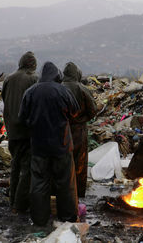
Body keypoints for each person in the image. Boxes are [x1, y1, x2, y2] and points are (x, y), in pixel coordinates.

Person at [19, 62, 80, 226]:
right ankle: (67, 218)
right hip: (62, 145)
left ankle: (39, 219)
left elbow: (22, 117)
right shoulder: (63, 91)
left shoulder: (30, 92)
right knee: (65, 183)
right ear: (56, 75)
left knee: (39, 182)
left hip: (39, 146)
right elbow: (75, 111)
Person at [2, 51, 38, 213]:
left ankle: (12, 200)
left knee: (15, 165)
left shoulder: (8, 79)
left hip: (11, 129)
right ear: (32, 64)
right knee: (27, 168)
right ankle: (20, 204)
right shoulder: (33, 79)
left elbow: (5, 100)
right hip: (26, 130)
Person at [62, 62, 97, 197]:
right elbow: (93, 110)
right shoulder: (82, 88)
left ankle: (63, 191)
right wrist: (82, 119)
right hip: (79, 130)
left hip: (61, 130)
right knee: (80, 164)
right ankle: (78, 193)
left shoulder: (59, 87)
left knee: (63, 162)